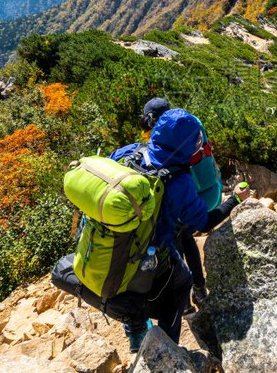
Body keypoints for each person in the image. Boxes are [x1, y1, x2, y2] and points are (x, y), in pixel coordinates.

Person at [52, 108, 249, 353]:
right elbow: (204, 223)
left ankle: (136, 334)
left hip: (104, 243)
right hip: (152, 256)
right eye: (197, 142)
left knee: (143, 282)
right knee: (181, 285)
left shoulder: (130, 151)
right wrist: (235, 200)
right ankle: (163, 353)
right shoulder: (179, 181)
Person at [133, 98, 222, 308]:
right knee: (185, 237)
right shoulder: (188, 124)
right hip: (210, 190)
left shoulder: (166, 140)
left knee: (177, 240)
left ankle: (184, 298)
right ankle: (199, 289)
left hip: (192, 197)